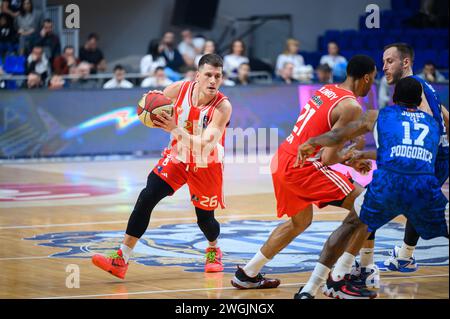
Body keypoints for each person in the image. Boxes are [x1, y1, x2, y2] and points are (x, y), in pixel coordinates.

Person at [230, 55, 376, 297]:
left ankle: (248, 273)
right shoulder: (351, 106)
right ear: (366, 78)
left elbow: (320, 139)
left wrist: (349, 155)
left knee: (299, 222)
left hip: (284, 157)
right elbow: (329, 159)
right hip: (302, 166)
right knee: (369, 205)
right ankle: (343, 275)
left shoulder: (328, 89)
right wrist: (351, 157)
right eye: (373, 79)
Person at [294, 77, 449, 299]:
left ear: (394, 97)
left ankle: (312, 288)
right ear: (419, 100)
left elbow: (338, 135)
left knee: (351, 224)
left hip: (388, 185)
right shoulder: (432, 125)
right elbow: (409, 156)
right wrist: (364, 155)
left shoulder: (378, 115)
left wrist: (312, 143)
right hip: (423, 189)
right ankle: (350, 273)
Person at [91, 53, 233, 278]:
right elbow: (154, 103)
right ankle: (121, 259)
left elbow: (205, 144)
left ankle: (214, 248)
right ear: (197, 76)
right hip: (177, 157)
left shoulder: (223, 107)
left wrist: (174, 129)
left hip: (207, 162)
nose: (213, 81)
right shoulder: (179, 89)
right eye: (208, 75)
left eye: (218, 76)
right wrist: (148, 109)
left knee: (205, 219)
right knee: (147, 196)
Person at [374, 43, 449, 273]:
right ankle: (405, 256)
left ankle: (360, 262)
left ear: (405, 62)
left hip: (429, 161)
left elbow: (426, 117)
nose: (384, 66)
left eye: (389, 61)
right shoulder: (423, 84)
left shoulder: (414, 86)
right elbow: (444, 114)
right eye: (383, 61)